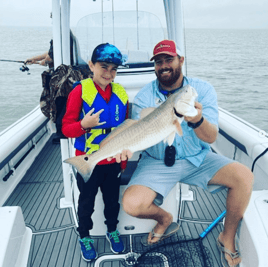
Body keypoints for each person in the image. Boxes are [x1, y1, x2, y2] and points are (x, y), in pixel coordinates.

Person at [114, 40, 253, 267]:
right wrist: (125, 149)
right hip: (156, 161)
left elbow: (210, 138)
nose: (164, 65)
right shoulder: (144, 97)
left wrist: (197, 120)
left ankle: (226, 237)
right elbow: (140, 134)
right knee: (131, 204)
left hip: (196, 158)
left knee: (244, 177)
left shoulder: (201, 90)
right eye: (159, 62)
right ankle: (164, 219)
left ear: (181, 60)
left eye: (169, 59)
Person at [62, 43, 128, 262]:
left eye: (113, 69)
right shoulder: (79, 91)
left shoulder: (120, 92)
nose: (109, 73)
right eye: (103, 66)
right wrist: (83, 124)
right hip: (88, 161)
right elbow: (66, 128)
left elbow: (125, 128)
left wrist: (124, 160)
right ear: (91, 65)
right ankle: (84, 236)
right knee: (86, 202)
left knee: (112, 201)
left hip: (113, 161)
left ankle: (112, 230)